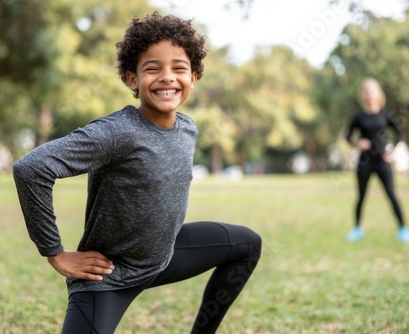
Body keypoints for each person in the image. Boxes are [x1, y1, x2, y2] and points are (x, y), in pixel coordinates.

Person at [13, 12, 261, 333]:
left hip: (165, 256)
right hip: (109, 276)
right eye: (152, 68)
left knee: (248, 245)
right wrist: (55, 253)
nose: (167, 77)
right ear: (132, 79)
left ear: (194, 77)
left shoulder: (188, 128)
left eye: (179, 68)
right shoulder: (116, 132)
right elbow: (31, 168)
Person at [344, 77, 409, 243]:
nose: (369, 93)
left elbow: (399, 132)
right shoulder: (358, 116)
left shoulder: (385, 114)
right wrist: (357, 143)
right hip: (365, 162)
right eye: (366, 91)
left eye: (372, 90)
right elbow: (347, 135)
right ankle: (357, 229)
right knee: (361, 197)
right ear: (363, 94)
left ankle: (403, 229)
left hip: (383, 161)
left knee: (391, 195)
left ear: (378, 93)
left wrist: (391, 150)